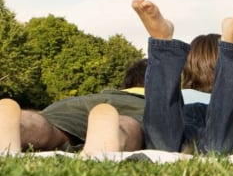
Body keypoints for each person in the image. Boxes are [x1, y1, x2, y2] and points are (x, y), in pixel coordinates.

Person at [131, 0, 233, 153]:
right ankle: (232, 43)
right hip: (224, 124)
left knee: (162, 146)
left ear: (188, 67)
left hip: (185, 116)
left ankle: (163, 45)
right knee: (221, 148)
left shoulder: (181, 95)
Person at [0, 58, 148, 154]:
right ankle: (111, 139)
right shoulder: (156, 102)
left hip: (77, 104)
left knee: (50, 125)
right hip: (141, 103)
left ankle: (20, 124)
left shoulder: (101, 96)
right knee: (128, 123)